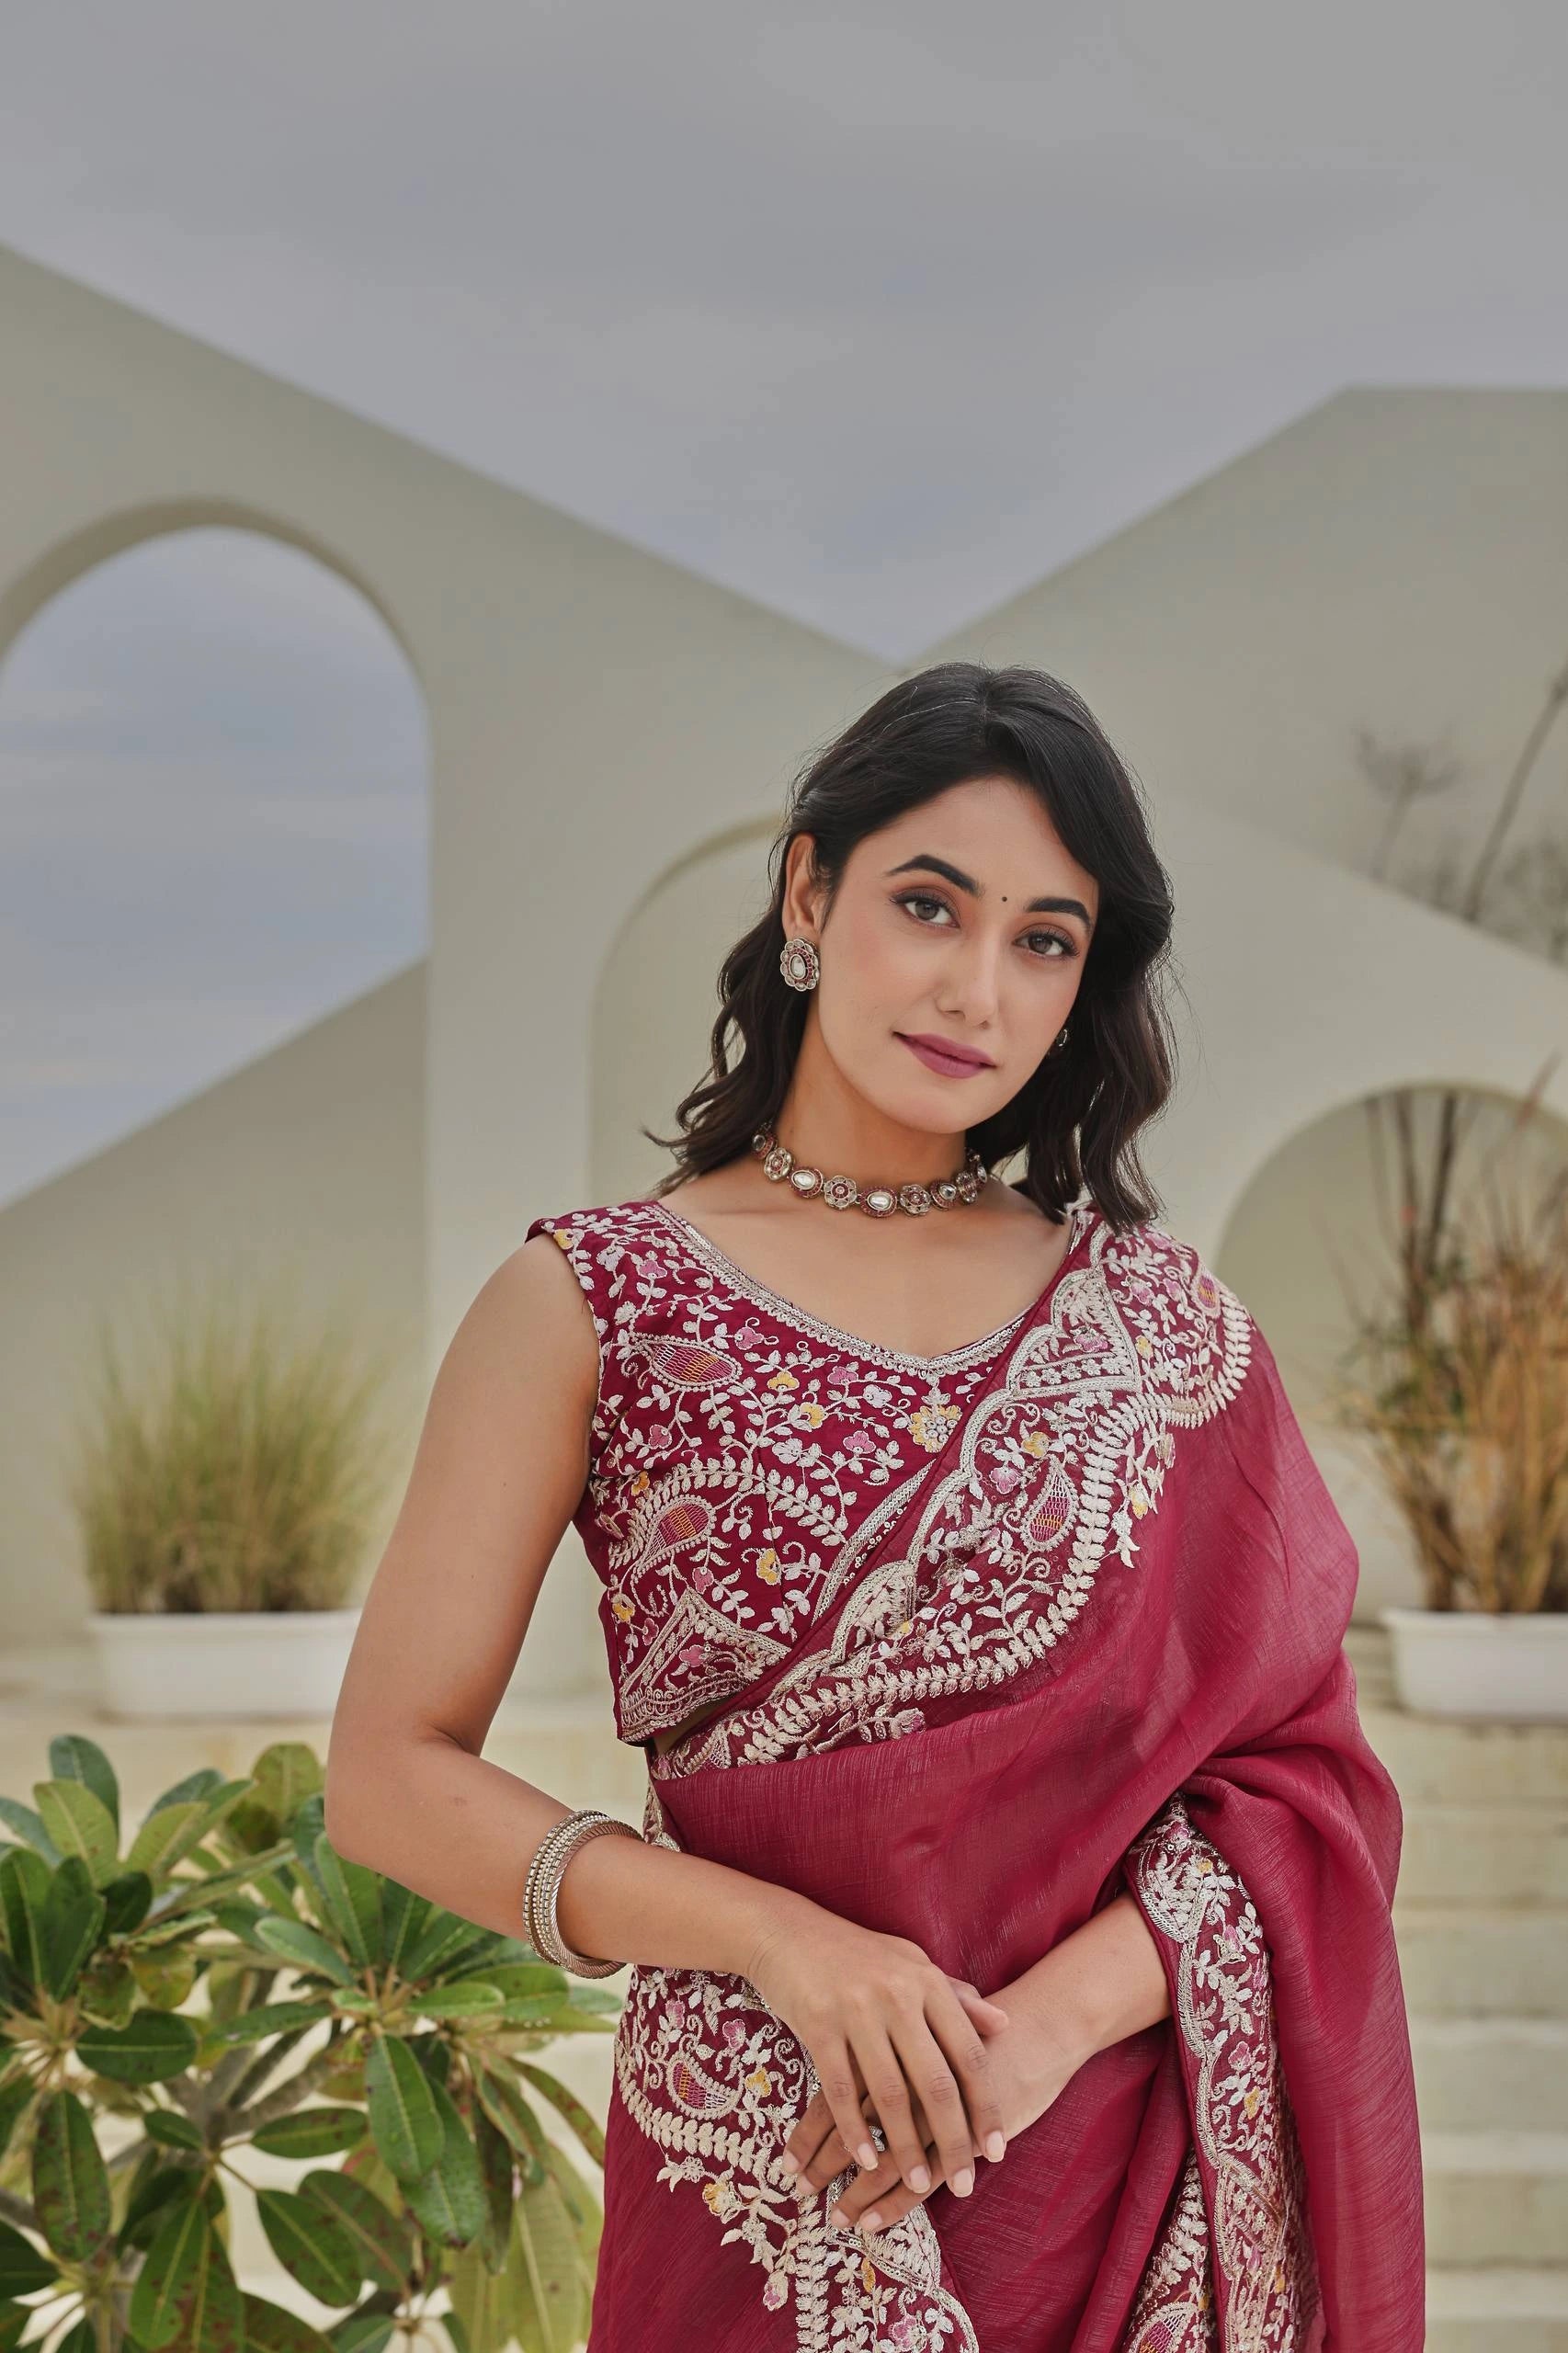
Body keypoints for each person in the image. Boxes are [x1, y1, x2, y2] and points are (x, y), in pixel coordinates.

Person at [324, 662, 1425, 2352]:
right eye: (931, 905)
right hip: (767, 2172)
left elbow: (1307, 1796)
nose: (977, 989)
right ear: (807, 894)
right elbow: (392, 1778)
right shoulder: (594, 1301)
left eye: (1044, 939)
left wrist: (1036, 2034)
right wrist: (776, 1943)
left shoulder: (1163, 1329)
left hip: (1118, 2174)